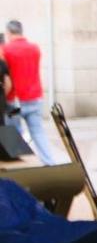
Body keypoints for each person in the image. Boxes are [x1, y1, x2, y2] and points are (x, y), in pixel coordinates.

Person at [2, 20, 60, 163]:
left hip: (15, 101)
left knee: (15, 133)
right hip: (35, 98)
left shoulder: (6, 50)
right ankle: (49, 162)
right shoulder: (34, 48)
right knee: (38, 131)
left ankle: (21, 164)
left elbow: (5, 75)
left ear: (9, 33)